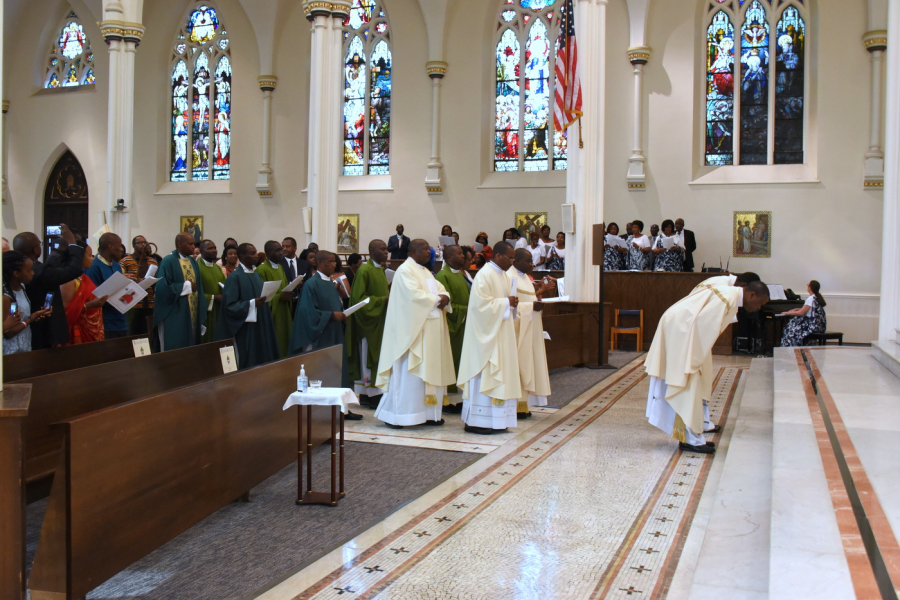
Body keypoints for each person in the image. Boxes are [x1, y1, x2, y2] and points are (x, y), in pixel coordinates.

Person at [645, 280, 770, 453]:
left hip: (681, 327)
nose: (758, 308)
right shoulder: (728, 298)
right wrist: (693, 360)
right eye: (760, 303)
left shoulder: (728, 293)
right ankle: (691, 440)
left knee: (691, 383)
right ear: (752, 295)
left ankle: (690, 436)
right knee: (688, 382)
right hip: (682, 331)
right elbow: (704, 326)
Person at [374, 239, 456, 428]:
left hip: (430, 331)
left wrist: (445, 297)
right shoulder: (405, 270)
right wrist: (437, 299)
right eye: (426, 249)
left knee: (428, 373)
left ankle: (427, 414)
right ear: (413, 251)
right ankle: (400, 416)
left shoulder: (425, 271)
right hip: (412, 334)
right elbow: (413, 297)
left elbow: (440, 290)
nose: (429, 253)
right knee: (409, 375)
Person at [289, 251, 363, 420]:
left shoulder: (330, 283)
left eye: (334, 262)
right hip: (321, 335)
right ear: (320, 263)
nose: (334, 265)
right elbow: (307, 312)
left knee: (337, 369)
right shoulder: (311, 284)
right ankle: (323, 410)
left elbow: (334, 304)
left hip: (334, 332)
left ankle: (341, 408)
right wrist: (331, 315)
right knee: (324, 370)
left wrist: (342, 316)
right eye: (330, 262)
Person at [457, 241, 522, 435]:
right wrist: (505, 303)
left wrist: (512, 303)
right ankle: (478, 421)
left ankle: (498, 421)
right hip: (485, 337)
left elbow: (504, 303)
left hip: (500, 333)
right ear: (499, 255)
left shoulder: (503, 275)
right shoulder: (485, 275)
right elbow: (479, 307)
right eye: (510, 258)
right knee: (486, 373)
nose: (512, 262)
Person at [13, 225, 84, 348]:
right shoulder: (37, 271)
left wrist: (60, 250)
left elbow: (47, 268)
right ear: (35, 250)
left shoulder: (21, 268)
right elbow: (73, 270)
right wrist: (72, 243)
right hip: (44, 330)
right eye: (39, 244)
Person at [215, 243, 279, 369]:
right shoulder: (235, 277)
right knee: (251, 358)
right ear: (243, 256)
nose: (256, 256)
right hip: (246, 328)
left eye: (256, 252)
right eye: (252, 253)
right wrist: (251, 304)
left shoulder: (256, 274)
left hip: (261, 322)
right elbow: (230, 306)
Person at [510, 249, 554, 418]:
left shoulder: (526, 279)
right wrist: (532, 306)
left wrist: (537, 302)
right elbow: (511, 305)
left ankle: (526, 405)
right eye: (528, 261)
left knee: (530, 364)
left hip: (530, 327)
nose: (532, 264)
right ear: (517, 260)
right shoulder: (510, 277)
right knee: (520, 365)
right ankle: (516, 406)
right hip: (517, 331)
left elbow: (529, 300)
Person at [347, 239, 391, 408]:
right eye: (383, 249)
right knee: (367, 358)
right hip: (368, 323)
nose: (386, 252)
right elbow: (359, 299)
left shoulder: (380, 270)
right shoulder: (365, 270)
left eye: (387, 249)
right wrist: (383, 300)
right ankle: (371, 394)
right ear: (372, 252)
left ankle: (366, 395)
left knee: (375, 357)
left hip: (379, 321)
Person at [154, 232, 206, 351]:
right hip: (175, 312)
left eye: (194, 244)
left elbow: (199, 287)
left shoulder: (193, 262)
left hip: (192, 311)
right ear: (179, 244)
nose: (193, 247)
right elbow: (162, 288)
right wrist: (186, 286)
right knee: (176, 344)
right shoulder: (168, 261)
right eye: (190, 244)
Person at [434, 244, 470, 412]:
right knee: (451, 361)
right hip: (453, 325)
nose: (463, 256)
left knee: (463, 361)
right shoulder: (443, 275)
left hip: (464, 325)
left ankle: (460, 398)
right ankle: (448, 400)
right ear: (448, 258)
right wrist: (465, 310)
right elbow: (445, 304)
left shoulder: (461, 275)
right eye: (460, 254)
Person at [3, 250, 52, 353]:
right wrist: (30, 319)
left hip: (24, 348)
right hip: (11, 352)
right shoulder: (6, 297)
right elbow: (8, 332)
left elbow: (20, 320)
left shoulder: (23, 287)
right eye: (29, 271)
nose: (32, 273)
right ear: (16, 273)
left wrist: (34, 317)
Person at [61, 238, 108, 344]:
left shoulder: (84, 277)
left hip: (93, 329)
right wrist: (90, 305)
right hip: (77, 331)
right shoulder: (68, 280)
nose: (92, 258)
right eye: (89, 255)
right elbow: (66, 312)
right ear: (78, 257)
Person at [84, 232, 128, 338]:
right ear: (111, 246)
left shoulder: (117, 266)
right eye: (119, 246)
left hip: (120, 320)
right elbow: (93, 297)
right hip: (105, 323)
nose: (122, 249)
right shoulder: (94, 267)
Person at [256, 240, 294, 358]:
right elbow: (261, 296)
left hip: (284, 311)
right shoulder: (262, 270)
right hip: (273, 313)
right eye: (277, 250)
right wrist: (279, 297)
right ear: (268, 253)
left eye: (281, 249)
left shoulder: (280, 267)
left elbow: (284, 287)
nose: (281, 253)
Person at [120, 235, 159, 336]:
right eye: (140, 243)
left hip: (149, 302)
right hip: (133, 303)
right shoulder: (125, 261)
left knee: (148, 333)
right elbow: (120, 280)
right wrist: (135, 280)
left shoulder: (152, 261)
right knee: (132, 332)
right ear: (133, 245)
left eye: (145, 242)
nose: (144, 245)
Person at [197, 239, 227, 344]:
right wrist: (214, 297)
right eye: (210, 248)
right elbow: (195, 293)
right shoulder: (197, 268)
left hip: (219, 311)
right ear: (201, 251)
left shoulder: (217, 268)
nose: (214, 250)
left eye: (214, 248)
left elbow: (225, 286)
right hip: (206, 313)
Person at [780, 280, 827, 347]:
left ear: (810, 288)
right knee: (792, 327)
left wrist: (788, 313)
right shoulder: (817, 298)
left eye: (808, 285)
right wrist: (796, 309)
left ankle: (790, 348)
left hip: (811, 326)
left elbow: (801, 313)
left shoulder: (811, 298)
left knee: (789, 330)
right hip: (819, 326)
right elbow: (809, 309)